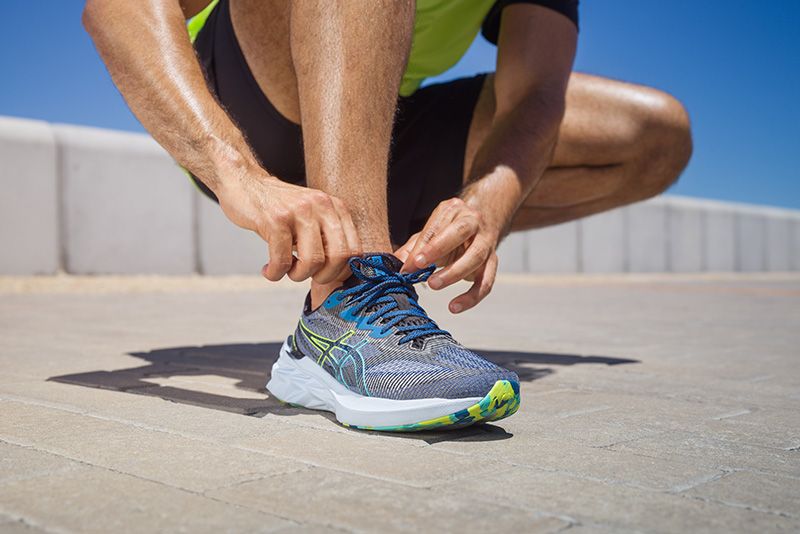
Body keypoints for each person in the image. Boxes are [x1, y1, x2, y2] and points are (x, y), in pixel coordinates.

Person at [83, 0, 691, 431]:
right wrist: (234, 170)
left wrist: (488, 202)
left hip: (378, 128)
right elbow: (114, 5)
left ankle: (375, 264)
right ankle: (346, 302)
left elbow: (535, 94)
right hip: (247, 107)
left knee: (655, 134)